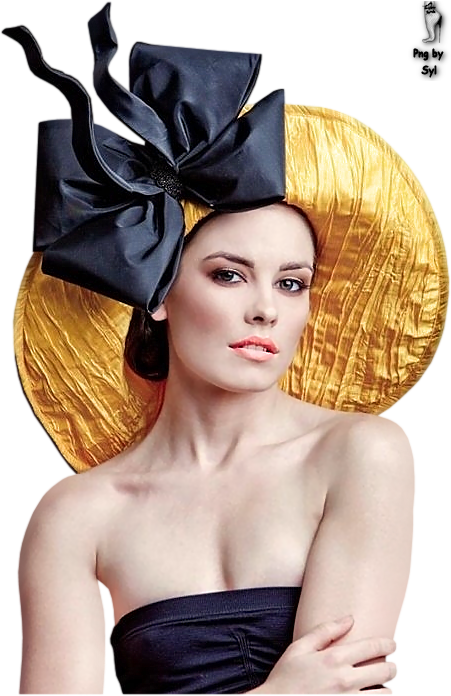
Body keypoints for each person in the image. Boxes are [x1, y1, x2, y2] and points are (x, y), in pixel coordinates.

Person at [7, 3, 447, 695]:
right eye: (228, 275)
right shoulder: (72, 514)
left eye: (291, 283)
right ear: (157, 292)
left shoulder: (369, 451)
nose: (265, 308)